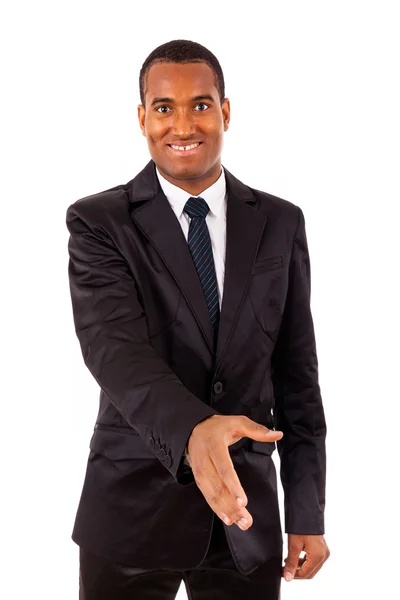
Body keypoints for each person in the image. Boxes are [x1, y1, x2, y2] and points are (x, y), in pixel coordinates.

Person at [66, 39, 330, 600]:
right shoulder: (99, 223)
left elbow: (297, 376)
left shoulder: (280, 223)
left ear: (225, 111)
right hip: (130, 510)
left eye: (201, 104)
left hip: (245, 516)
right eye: (164, 107)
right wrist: (194, 429)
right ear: (142, 118)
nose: (183, 123)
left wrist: (307, 509)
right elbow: (113, 351)